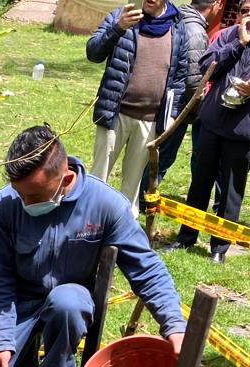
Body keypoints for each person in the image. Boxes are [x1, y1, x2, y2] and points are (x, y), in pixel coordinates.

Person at [0, 126, 187, 367]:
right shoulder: (6, 204)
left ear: (64, 180)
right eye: (20, 193)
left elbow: (146, 268)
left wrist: (174, 324)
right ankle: (20, 358)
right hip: (19, 302)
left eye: (34, 196)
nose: (24, 203)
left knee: (67, 303)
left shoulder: (106, 205)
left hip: (69, 301)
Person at [168, 0, 250, 263]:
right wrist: (238, 45)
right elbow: (207, 66)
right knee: (199, 182)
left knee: (231, 190)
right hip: (212, 120)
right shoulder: (231, 33)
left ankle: (219, 247)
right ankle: (185, 237)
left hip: (245, 130)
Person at [85, 0, 189, 216]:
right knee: (97, 179)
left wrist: (171, 114)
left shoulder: (178, 27)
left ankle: (123, 234)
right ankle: (87, 225)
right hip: (115, 113)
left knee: (132, 188)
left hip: (150, 121)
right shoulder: (121, 16)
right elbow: (93, 53)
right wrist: (117, 28)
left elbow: (180, 78)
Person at [139, 0, 222, 198]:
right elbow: (193, 81)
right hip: (176, 107)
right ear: (216, 4)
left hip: (159, 98)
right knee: (162, 157)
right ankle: (144, 198)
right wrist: (198, 108)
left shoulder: (176, 16)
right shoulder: (196, 31)